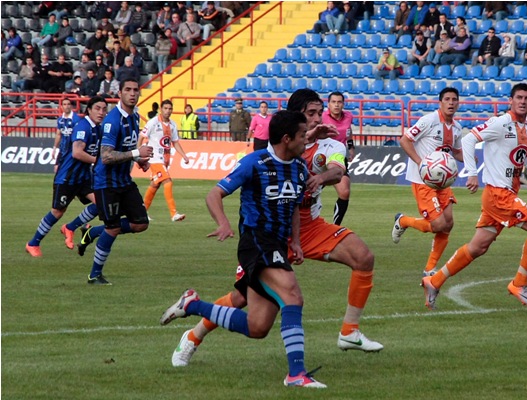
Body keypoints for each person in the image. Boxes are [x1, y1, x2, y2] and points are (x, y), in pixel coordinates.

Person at [166, 89, 382, 371]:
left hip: (308, 225)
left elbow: (338, 172)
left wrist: (321, 177)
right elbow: (266, 167)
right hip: (269, 232)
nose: (319, 118)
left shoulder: (331, 144)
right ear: (294, 121)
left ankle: (349, 332)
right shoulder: (285, 145)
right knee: (242, 299)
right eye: (312, 114)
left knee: (363, 257)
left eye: (321, 112)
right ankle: (194, 336)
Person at [159, 110, 329, 389]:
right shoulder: (255, 162)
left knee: (257, 326)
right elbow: (214, 194)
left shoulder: (299, 168)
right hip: (256, 241)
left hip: (277, 245)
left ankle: (192, 305)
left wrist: (296, 241)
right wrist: (224, 223)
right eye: (302, 136)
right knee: (293, 294)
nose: (305, 140)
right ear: (287, 139)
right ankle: (296, 374)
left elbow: (295, 208)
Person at [421, 83, 527, 310]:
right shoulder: (500, 122)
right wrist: (472, 173)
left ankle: (434, 281)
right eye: (519, 97)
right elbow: (469, 139)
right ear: (510, 100)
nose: (523, 101)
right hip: (498, 194)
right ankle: (519, 283)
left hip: (507, 193)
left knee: (478, 247)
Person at [83, 79, 153, 285]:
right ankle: (94, 274)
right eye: (128, 90)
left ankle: (94, 231)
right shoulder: (113, 121)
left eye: (135, 90)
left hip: (124, 180)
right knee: (112, 228)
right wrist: (135, 153)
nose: (132, 94)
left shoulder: (134, 116)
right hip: (107, 183)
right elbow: (106, 157)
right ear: (120, 93)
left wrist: (139, 160)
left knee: (141, 223)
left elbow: (127, 148)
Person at [392, 87, 464, 278]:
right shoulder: (429, 120)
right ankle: (404, 221)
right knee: (439, 224)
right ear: (440, 102)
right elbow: (405, 140)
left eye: (454, 100)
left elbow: (456, 151)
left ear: (458, 103)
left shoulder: (457, 127)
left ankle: (429, 268)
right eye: (447, 99)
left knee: (448, 224)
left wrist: (473, 161)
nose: (451, 103)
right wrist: (421, 163)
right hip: (423, 180)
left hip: (442, 182)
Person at [25, 97, 107, 257]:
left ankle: (70, 227)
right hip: (67, 176)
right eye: (98, 108)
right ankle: (33, 243)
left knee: (101, 202)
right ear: (89, 109)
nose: (101, 112)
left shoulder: (98, 128)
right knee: (57, 211)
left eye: (104, 109)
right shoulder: (83, 126)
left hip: (83, 177)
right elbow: (77, 153)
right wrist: (99, 162)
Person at [138, 99, 189, 222]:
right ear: (161, 109)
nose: (168, 111)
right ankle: (173, 213)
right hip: (155, 158)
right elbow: (141, 137)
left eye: (170, 109)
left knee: (155, 185)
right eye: (165, 108)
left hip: (165, 159)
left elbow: (175, 142)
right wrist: (138, 155)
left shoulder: (173, 125)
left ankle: (141, 213)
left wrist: (184, 155)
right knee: (168, 181)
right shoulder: (153, 122)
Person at [322, 91, 354, 225]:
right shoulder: (322, 117)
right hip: (320, 155)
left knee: (345, 192)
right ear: (328, 104)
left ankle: (335, 228)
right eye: (333, 102)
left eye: (339, 102)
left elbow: (348, 131)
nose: (336, 105)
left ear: (343, 104)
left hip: (338, 157)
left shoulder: (348, 116)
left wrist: (351, 147)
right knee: (307, 191)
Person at [52, 99, 82, 169]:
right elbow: (58, 134)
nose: (67, 106)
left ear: (71, 106)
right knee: (57, 168)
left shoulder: (76, 119)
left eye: (68, 104)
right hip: (63, 149)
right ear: (61, 106)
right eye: (64, 104)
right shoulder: (60, 119)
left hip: (73, 150)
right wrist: (54, 148)